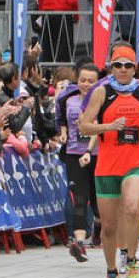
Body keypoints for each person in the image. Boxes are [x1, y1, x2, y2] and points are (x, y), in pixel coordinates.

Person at [77, 44, 139, 278]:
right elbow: (84, 126)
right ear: (111, 68)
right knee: (108, 227)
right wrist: (109, 127)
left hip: (136, 161)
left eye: (128, 65)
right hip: (107, 166)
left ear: (135, 68)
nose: (124, 70)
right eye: (118, 65)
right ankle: (112, 273)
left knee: (132, 206)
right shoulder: (101, 93)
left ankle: (132, 261)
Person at [58, 63, 102, 261]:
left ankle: (99, 231)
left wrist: (89, 149)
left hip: (97, 155)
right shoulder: (67, 99)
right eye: (82, 80)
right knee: (80, 198)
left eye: (91, 81)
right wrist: (64, 134)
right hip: (74, 154)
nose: (86, 84)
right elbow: (61, 121)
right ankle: (80, 243)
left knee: (98, 200)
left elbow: (99, 127)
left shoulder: (101, 100)